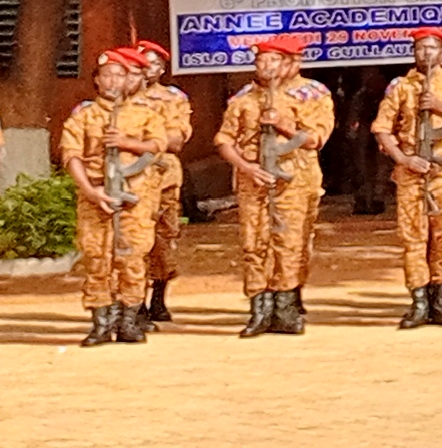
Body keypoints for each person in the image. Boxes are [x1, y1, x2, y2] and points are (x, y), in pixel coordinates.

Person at [61, 45, 184, 346]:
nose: (114, 81)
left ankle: (129, 320)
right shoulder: (84, 116)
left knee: (132, 257)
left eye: (121, 75)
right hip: (96, 196)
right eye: (108, 75)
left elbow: (159, 145)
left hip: (136, 197)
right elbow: (70, 154)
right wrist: (91, 190)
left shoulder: (145, 115)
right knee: (97, 257)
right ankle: (101, 322)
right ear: (97, 80)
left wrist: (127, 142)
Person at [213, 39, 335, 335]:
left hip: (295, 180)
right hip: (253, 180)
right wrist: (246, 167)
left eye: (274, 61)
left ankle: (286, 306)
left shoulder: (311, 94)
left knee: (290, 242)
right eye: (261, 61)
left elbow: (317, 138)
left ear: (288, 63)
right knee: (254, 243)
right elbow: (224, 140)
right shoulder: (244, 99)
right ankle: (259, 307)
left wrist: (284, 125)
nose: (266, 67)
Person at [371, 29, 442, 326]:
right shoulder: (401, 87)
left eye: (431, 48)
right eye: (419, 48)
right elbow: (382, 129)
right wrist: (404, 158)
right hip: (412, 175)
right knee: (414, 238)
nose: (425, 54)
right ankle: (419, 300)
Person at [130, 40, 195, 320]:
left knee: (163, 239)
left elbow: (176, 140)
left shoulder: (173, 99)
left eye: (154, 64)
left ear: (163, 68)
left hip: (164, 177)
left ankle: (158, 298)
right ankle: (135, 302)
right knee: (134, 239)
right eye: (142, 64)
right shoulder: (122, 99)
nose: (148, 70)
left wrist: (137, 140)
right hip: (131, 176)